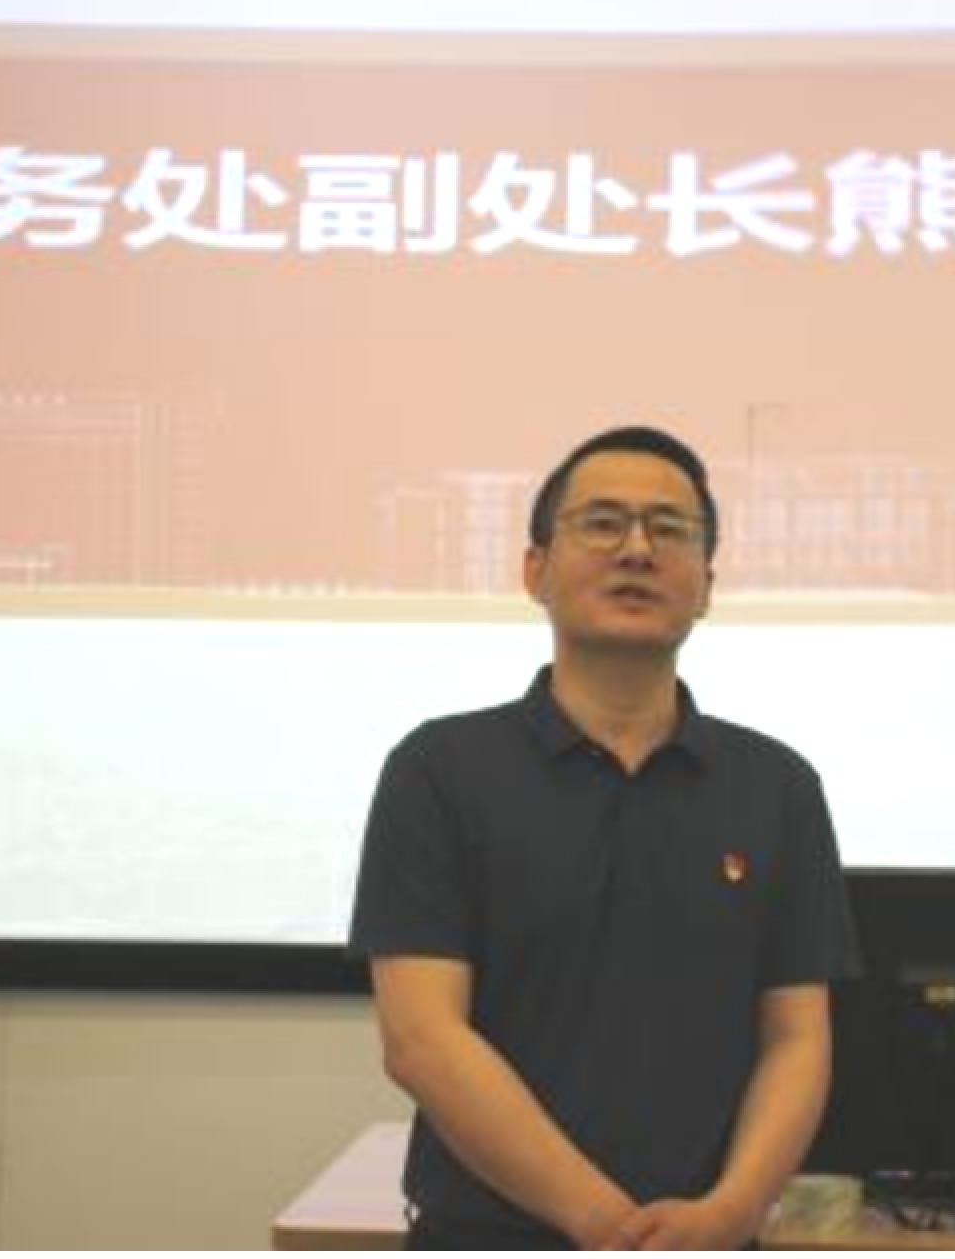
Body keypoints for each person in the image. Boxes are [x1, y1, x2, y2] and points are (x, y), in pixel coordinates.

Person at [350, 425, 861, 1250]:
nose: (637, 549)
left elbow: (796, 1040)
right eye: (601, 523)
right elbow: (422, 1040)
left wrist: (733, 1212)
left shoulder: (778, 787)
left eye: (670, 529)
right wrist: (606, 1225)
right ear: (535, 570)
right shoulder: (439, 770)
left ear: (706, 586)